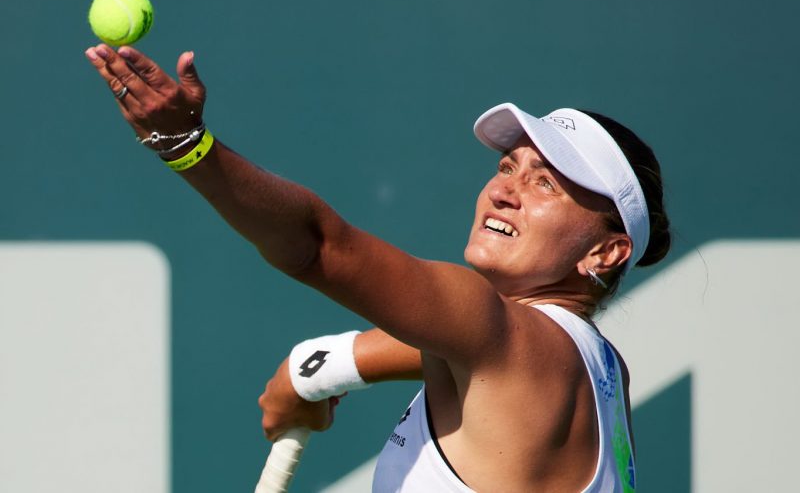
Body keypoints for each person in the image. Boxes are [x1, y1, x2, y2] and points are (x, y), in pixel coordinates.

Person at [85, 43, 670, 492]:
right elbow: (422, 349)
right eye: (506, 167)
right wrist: (311, 370)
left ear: (606, 252)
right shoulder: (597, 369)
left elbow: (318, 247)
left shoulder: (496, 333)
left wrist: (186, 146)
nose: (503, 192)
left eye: (545, 184)